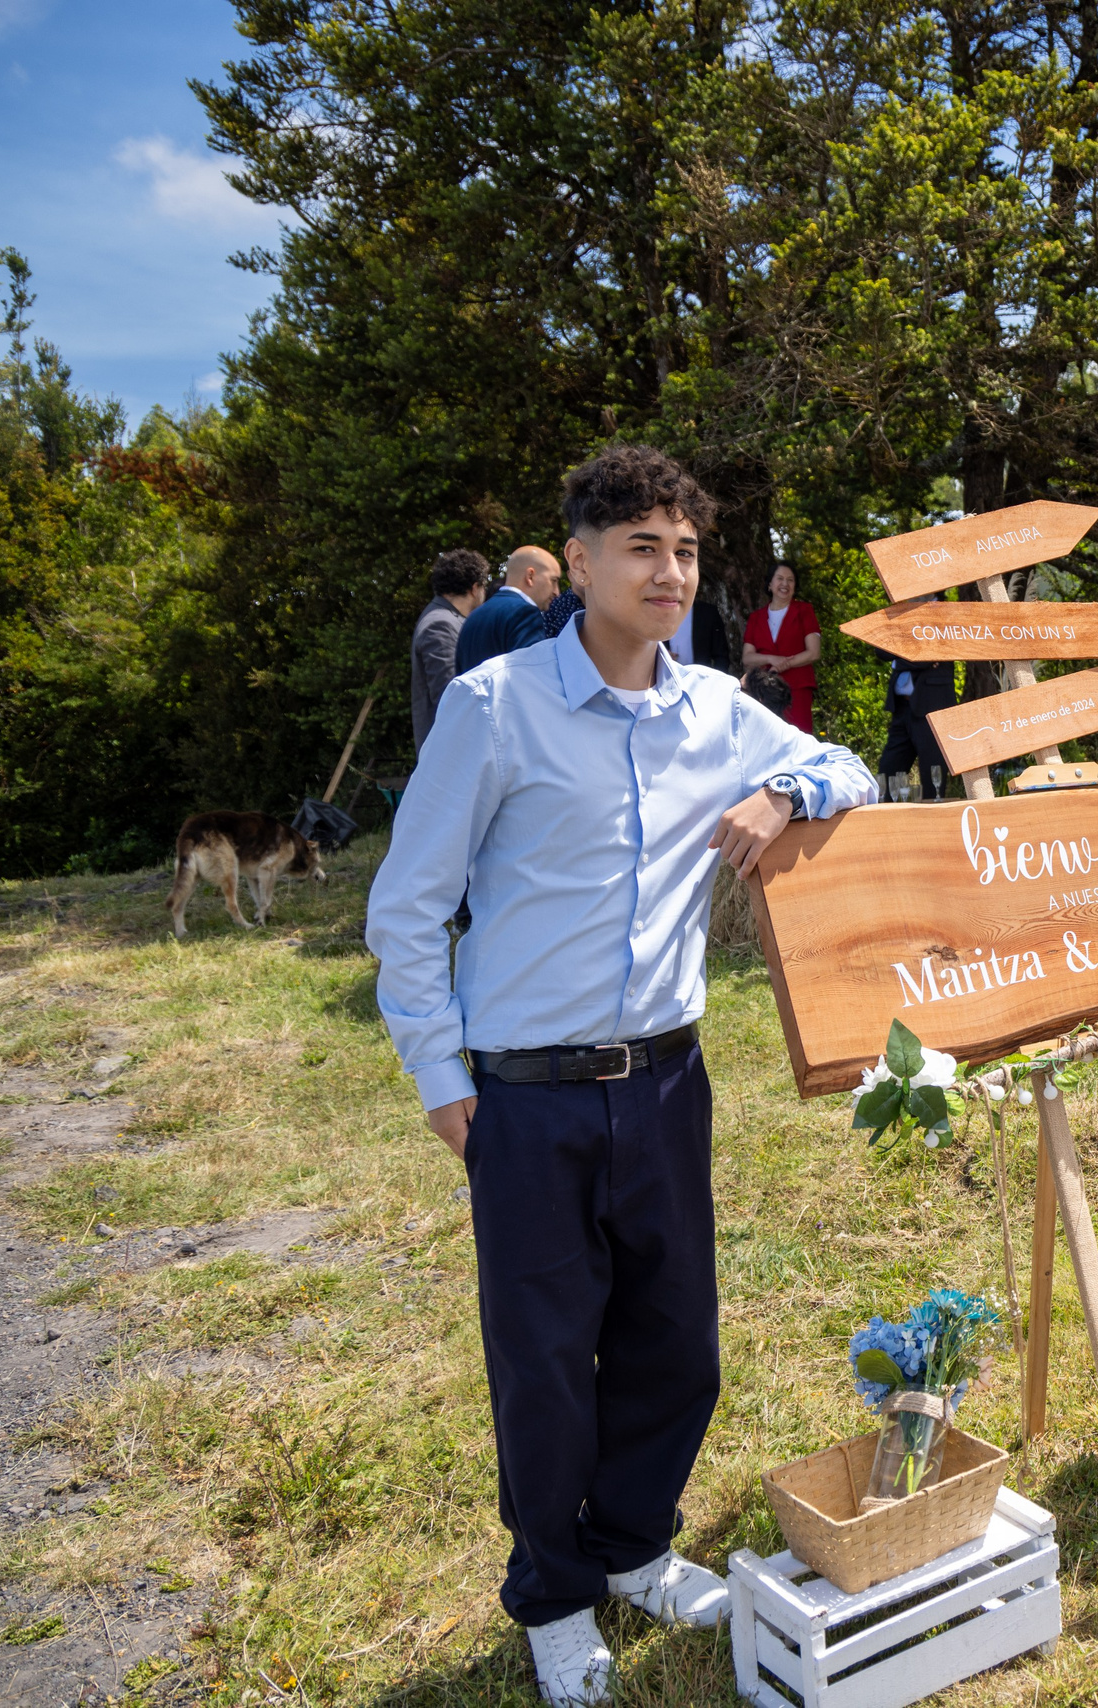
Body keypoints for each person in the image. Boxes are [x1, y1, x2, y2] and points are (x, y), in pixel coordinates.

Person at [364, 444, 876, 1707]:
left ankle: (638, 1542)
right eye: (641, 547)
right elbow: (408, 906)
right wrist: (441, 1075)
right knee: (544, 1356)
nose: (669, 570)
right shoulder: (496, 707)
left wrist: (781, 787)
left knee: (673, 1343)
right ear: (578, 560)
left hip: (665, 1081)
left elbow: (852, 767)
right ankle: (553, 1594)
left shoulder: (712, 706)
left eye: (686, 550)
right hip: (524, 1095)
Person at [874, 595, 958, 800]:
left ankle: (934, 829)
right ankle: (885, 827)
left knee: (933, 780)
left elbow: (929, 656)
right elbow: (879, 649)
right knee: (887, 775)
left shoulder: (944, 612)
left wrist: (898, 660)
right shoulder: (902, 610)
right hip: (901, 708)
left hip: (932, 708)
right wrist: (910, 654)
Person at [411, 549, 489, 754]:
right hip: (448, 753)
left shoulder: (442, 617)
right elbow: (450, 695)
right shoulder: (440, 624)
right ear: (475, 588)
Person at [454, 545, 567, 674]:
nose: (557, 592)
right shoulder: (525, 613)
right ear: (530, 576)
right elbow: (532, 676)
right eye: (553, 580)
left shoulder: (474, 616)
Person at [741, 562, 824, 735]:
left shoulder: (804, 611)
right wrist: (771, 659)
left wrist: (785, 664)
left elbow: (813, 652)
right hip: (762, 690)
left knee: (798, 737)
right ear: (770, 584)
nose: (785, 584)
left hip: (797, 689)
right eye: (779, 579)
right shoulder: (756, 617)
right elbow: (747, 657)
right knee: (763, 737)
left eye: (790, 580)